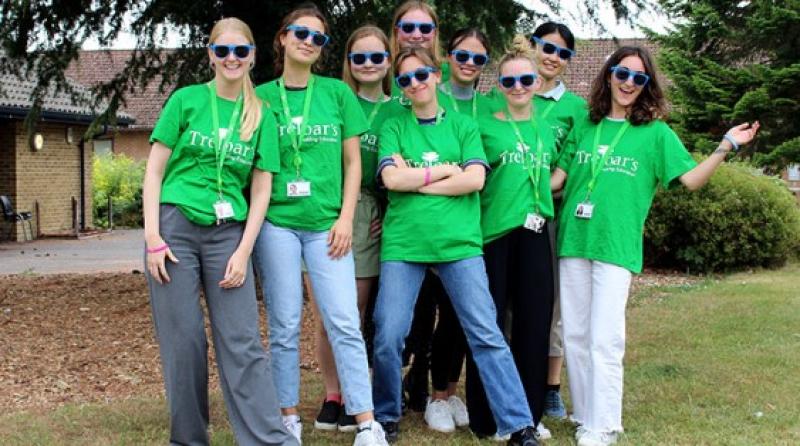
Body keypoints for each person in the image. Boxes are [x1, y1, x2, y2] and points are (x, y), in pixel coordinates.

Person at [553, 46, 759, 446]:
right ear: (608, 75)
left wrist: (725, 146)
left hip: (616, 246)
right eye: (622, 73)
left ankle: (605, 425)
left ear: (647, 86)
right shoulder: (585, 124)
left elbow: (691, 180)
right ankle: (585, 415)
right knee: (575, 335)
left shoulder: (656, 133)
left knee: (604, 338)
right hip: (574, 240)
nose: (629, 83)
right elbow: (558, 180)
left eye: (639, 78)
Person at [372, 46, 540, 446]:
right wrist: (446, 170)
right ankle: (385, 415)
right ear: (400, 87)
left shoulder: (464, 126)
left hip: (459, 244)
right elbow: (392, 181)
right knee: (389, 333)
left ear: (435, 73)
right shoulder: (394, 127)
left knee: (485, 331)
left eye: (421, 74)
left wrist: (419, 177)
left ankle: (518, 424)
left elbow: (475, 181)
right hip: (404, 244)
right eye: (405, 79)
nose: (415, 83)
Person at [142, 17, 297, 446]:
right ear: (210, 55)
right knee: (185, 341)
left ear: (252, 57)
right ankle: (189, 439)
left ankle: (267, 439)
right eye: (223, 51)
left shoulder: (260, 115)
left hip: (228, 232)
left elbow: (262, 188)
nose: (232, 59)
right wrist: (153, 238)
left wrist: (245, 250)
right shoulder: (187, 100)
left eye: (241, 51)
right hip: (174, 229)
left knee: (242, 341)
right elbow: (154, 171)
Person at [252, 5, 387, 446]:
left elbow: (353, 162)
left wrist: (346, 217)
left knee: (345, 320)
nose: (309, 41)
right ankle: (286, 416)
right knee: (286, 321)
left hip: (328, 224)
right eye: (301, 33)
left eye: (318, 37)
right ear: (283, 38)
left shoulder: (335, 93)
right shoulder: (260, 97)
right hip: (277, 224)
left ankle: (366, 422)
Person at [310, 24, 405, 434]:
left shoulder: (398, 108)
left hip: (367, 212)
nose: (368, 64)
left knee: (353, 311)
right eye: (359, 57)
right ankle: (333, 394)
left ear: (388, 62)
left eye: (377, 57)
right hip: (323, 211)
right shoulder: (332, 99)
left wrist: (388, 208)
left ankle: (355, 394)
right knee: (323, 313)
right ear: (348, 62)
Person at [465, 34, 558, 443]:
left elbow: (565, 167)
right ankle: (484, 416)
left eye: (526, 80)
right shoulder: (482, 125)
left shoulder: (551, 124)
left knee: (534, 324)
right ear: (498, 86)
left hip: (535, 233)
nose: (518, 88)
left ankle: (529, 415)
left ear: (538, 82)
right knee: (490, 326)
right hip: (493, 233)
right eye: (508, 82)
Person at [528, 21, 588, 422]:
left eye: (562, 53)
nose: (552, 57)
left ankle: (550, 387)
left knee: (550, 305)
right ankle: (516, 378)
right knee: (510, 302)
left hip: (550, 213)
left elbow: (572, 165)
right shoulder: (508, 92)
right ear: (533, 46)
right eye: (547, 47)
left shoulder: (576, 110)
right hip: (503, 211)